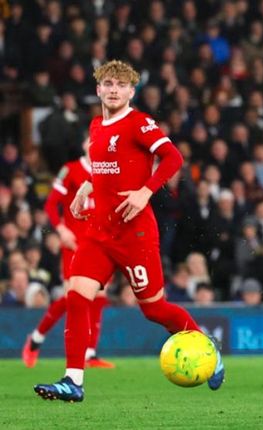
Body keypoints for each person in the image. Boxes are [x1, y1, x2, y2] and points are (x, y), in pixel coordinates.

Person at [34, 60, 224, 402]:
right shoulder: (96, 126)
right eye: (108, 84)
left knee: (153, 309)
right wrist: (87, 187)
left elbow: (173, 158)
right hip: (98, 233)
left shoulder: (139, 123)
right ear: (98, 89)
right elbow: (111, 170)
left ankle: (206, 346)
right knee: (77, 297)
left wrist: (146, 191)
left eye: (121, 85)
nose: (113, 90)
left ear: (131, 91)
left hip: (134, 234)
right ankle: (73, 380)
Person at [22, 139, 116, 369]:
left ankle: (90, 354)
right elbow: (52, 204)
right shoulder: (71, 170)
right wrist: (61, 229)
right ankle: (36, 339)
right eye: (91, 140)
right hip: (75, 244)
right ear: (85, 144)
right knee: (72, 298)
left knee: (99, 298)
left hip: (101, 243)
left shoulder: (110, 170)